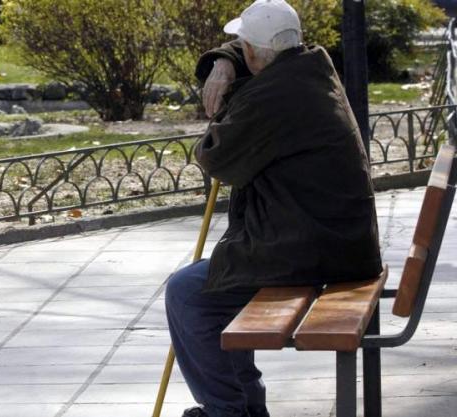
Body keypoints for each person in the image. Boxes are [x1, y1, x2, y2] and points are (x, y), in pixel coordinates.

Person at [164, 1, 383, 417]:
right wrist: (227, 62)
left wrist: (228, 86)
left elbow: (215, 157)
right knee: (209, 288)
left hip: (312, 249)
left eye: (240, 45)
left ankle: (228, 410)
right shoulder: (309, 69)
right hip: (334, 241)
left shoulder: (275, 96)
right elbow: (259, 61)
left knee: (189, 294)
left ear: (253, 53)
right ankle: (242, 406)